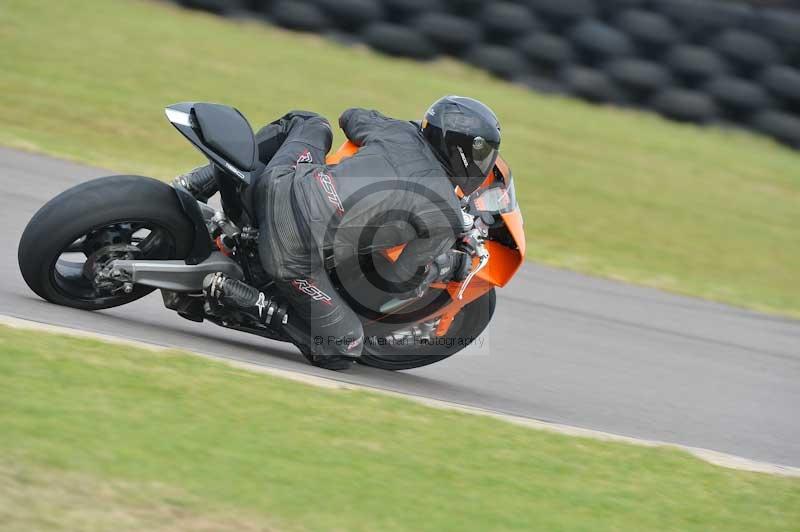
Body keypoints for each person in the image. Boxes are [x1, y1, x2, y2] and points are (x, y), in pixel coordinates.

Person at [174, 96, 501, 370]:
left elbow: (351, 117)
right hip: (293, 253)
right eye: (483, 152)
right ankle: (249, 298)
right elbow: (399, 280)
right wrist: (447, 266)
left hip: (282, 182)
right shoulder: (445, 213)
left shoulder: (397, 132)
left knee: (308, 121)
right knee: (343, 347)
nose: (486, 160)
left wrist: (397, 129)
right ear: (461, 150)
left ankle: (196, 183)